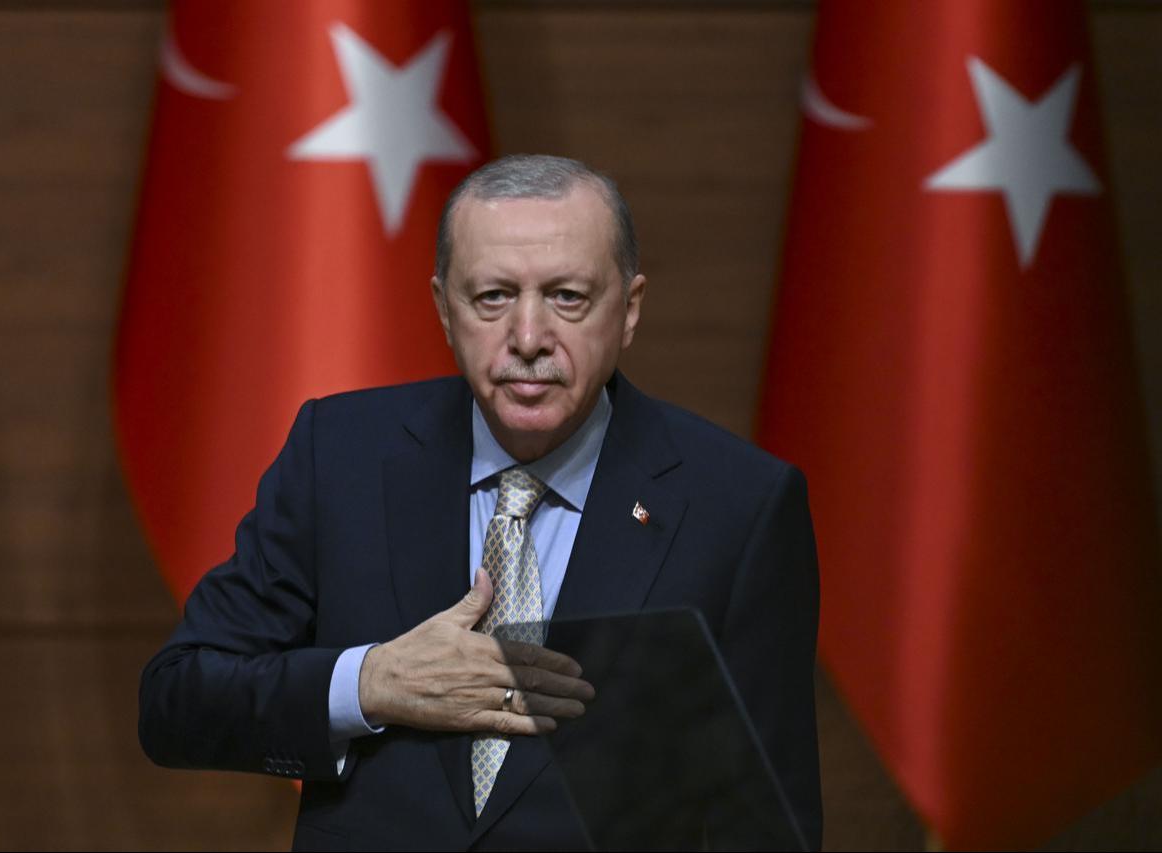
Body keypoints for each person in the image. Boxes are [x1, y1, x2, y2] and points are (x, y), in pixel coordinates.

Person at [139, 154, 822, 850]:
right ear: (443, 308)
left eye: (567, 297)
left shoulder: (739, 507)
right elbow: (177, 700)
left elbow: (768, 825)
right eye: (493, 296)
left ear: (629, 309)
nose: (527, 339)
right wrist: (368, 683)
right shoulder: (338, 454)